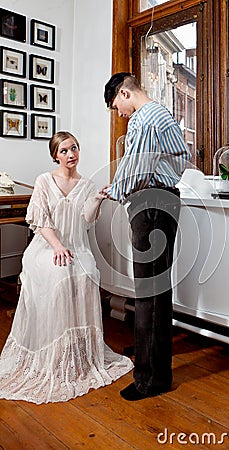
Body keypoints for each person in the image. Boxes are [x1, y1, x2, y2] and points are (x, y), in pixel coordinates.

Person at [0, 131, 133, 404]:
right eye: (64, 151)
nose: (70, 155)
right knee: (59, 273)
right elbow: (40, 220)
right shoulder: (44, 181)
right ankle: (52, 352)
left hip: (77, 247)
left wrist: (97, 198)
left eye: (74, 148)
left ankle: (79, 353)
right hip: (46, 247)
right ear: (54, 155)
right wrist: (58, 246)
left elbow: (85, 221)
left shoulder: (86, 184)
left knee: (87, 273)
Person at [103, 73, 191, 401]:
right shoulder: (164, 115)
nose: (120, 113)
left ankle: (149, 378)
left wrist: (114, 191)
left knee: (147, 292)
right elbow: (180, 162)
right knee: (157, 289)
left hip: (150, 201)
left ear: (126, 93)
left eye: (117, 106)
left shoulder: (145, 118)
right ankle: (155, 367)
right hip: (165, 198)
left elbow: (136, 165)